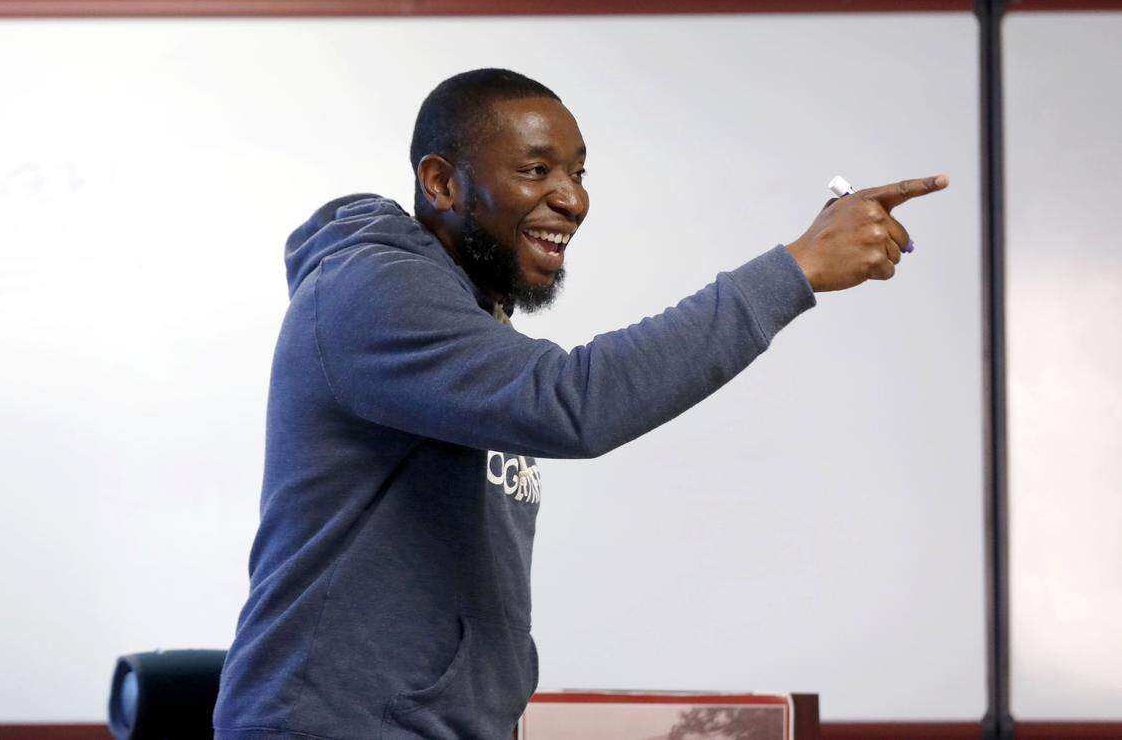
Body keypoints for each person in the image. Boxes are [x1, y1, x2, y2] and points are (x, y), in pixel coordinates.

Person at [212, 68, 948, 740]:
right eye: (537, 170)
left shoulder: (467, 316)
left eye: (578, 171)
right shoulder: (372, 288)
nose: (573, 198)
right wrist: (797, 267)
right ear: (441, 183)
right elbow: (573, 402)